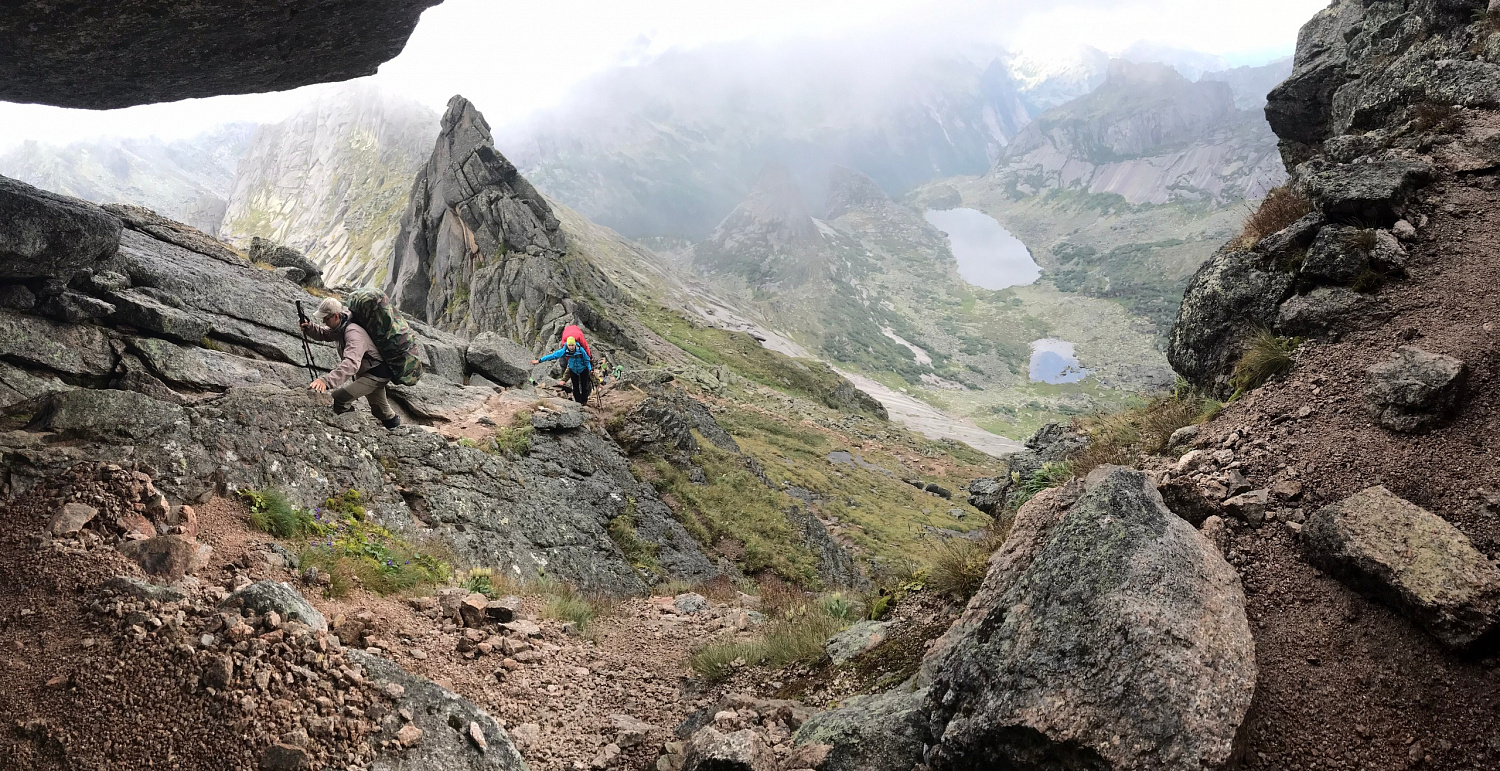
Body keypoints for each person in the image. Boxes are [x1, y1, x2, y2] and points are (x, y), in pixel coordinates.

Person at [300, 297, 402, 429]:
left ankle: (352, 427)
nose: (324, 321)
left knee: (339, 398)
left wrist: (325, 381)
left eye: (326, 318)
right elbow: (326, 334)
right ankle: (396, 429)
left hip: (375, 374)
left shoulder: (353, 333)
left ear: (336, 315)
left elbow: (351, 364)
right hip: (369, 371)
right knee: (380, 410)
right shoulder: (341, 325)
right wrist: (310, 328)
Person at [533, 336, 593, 404]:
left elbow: (586, 360)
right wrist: (539, 361)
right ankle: (578, 402)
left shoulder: (580, 350)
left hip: (583, 369)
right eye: (569, 345)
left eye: (572, 345)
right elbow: (553, 356)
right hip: (573, 370)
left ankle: (584, 401)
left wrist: (590, 369)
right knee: (575, 386)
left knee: (584, 386)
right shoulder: (564, 351)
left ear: (575, 344)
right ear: (567, 345)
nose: (571, 347)